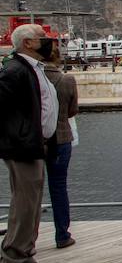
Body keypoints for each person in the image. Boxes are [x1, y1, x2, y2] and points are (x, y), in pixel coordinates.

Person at [0, 24, 60, 263]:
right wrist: (18, 136)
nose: (48, 42)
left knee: (33, 203)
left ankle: (25, 255)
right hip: (22, 147)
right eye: (42, 38)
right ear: (27, 43)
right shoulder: (14, 71)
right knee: (24, 204)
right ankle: (9, 259)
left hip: (36, 144)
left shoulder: (32, 69)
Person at [41, 39, 79, 249]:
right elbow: (73, 110)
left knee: (30, 191)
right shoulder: (67, 80)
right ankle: (62, 234)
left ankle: (29, 237)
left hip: (34, 141)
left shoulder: (33, 78)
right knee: (59, 187)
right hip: (62, 138)